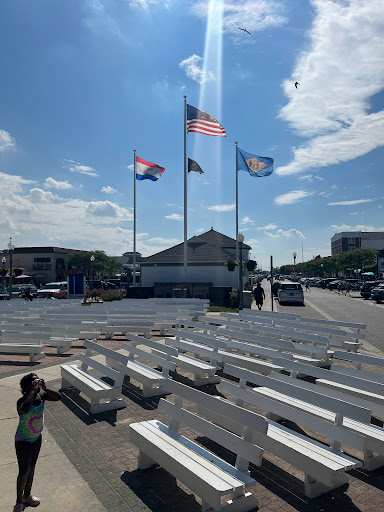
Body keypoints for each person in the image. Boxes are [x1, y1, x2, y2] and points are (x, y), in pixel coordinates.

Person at [13, 373, 61, 512]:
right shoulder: (21, 401)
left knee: (32, 467)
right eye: (34, 383)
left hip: (36, 437)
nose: (37, 385)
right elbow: (25, 409)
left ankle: (27, 495)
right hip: (23, 440)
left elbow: (58, 397)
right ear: (27, 387)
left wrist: (45, 388)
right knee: (24, 471)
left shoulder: (42, 397)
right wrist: (33, 391)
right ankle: (18, 501)